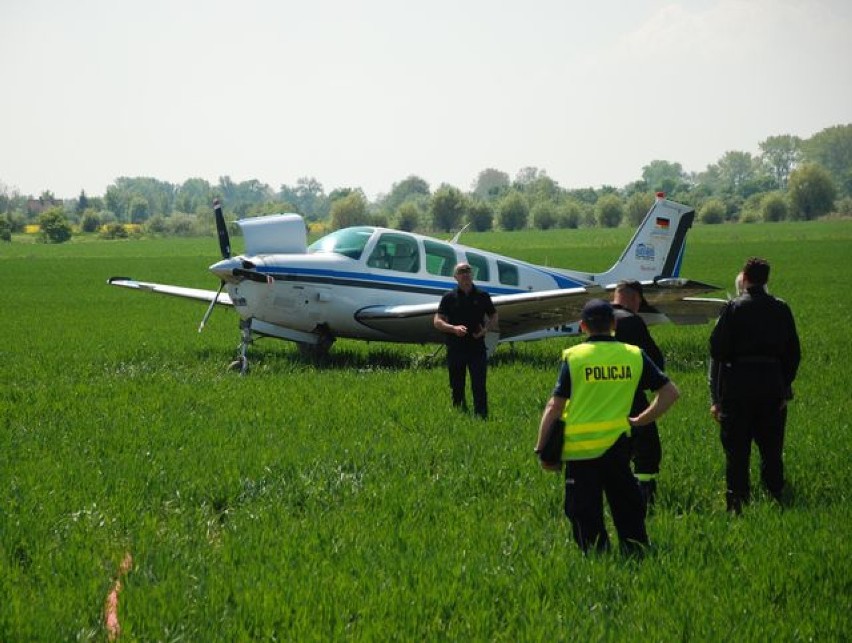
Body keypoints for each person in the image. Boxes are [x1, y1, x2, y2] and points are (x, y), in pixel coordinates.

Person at [535, 299, 680, 555]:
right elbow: (670, 392)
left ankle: (596, 556)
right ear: (614, 324)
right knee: (626, 502)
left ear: (583, 326)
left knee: (583, 510)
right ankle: (634, 549)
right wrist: (642, 419)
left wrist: (542, 446)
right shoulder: (633, 354)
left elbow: (555, 406)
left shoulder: (575, 357)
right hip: (618, 444)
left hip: (580, 451)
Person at [709, 257, 801, 514]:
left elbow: (717, 349)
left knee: (737, 449)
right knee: (772, 446)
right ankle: (776, 494)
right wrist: (784, 386)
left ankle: (737, 501)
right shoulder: (781, 308)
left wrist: (717, 394)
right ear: (767, 280)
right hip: (772, 383)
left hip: (738, 384)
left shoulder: (733, 308)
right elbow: (793, 353)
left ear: (745, 279)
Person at [612, 280, 665, 508]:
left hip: (597, 396)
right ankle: (644, 496)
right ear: (636, 299)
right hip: (628, 394)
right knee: (646, 446)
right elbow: (653, 359)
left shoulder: (598, 318)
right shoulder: (632, 321)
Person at [434, 262, 499, 419]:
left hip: (477, 348)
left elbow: (494, 316)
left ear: (472, 275)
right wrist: (453, 329)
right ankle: (459, 414)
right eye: (461, 272)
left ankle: (482, 416)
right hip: (456, 348)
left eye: (468, 271)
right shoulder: (448, 297)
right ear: (455, 277)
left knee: (479, 385)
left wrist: (485, 330)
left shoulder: (482, 296)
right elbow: (437, 321)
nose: (465, 274)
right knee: (457, 385)